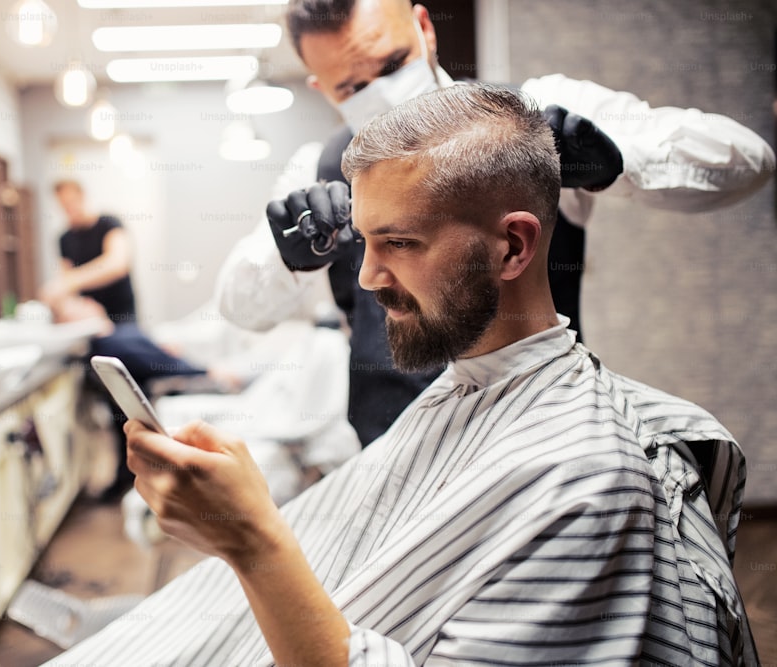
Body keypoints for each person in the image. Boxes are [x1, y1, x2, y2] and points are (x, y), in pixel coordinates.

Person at [45, 84, 756, 666]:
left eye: (401, 243)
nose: (366, 276)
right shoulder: (464, 393)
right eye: (364, 238)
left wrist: (253, 539)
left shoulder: (586, 481)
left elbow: (746, 156)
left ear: (513, 246)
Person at [216, 0, 776, 448]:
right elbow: (239, 306)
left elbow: (748, 160)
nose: (380, 91)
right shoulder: (319, 168)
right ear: (320, 85)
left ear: (424, 28)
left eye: (391, 65)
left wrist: (616, 159)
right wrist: (288, 255)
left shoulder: (534, 122)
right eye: (352, 87)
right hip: (393, 451)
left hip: (538, 442)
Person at [41, 180, 206, 501]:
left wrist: (68, 283)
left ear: (82, 196)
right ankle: (133, 476)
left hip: (123, 321)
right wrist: (75, 305)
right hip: (96, 328)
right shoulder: (63, 239)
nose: (69, 209)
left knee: (135, 397)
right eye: (63, 205)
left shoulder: (109, 224)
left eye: (73, 202)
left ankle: (196, 374)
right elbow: (66, 291)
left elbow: (116, 264)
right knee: (120, 405)